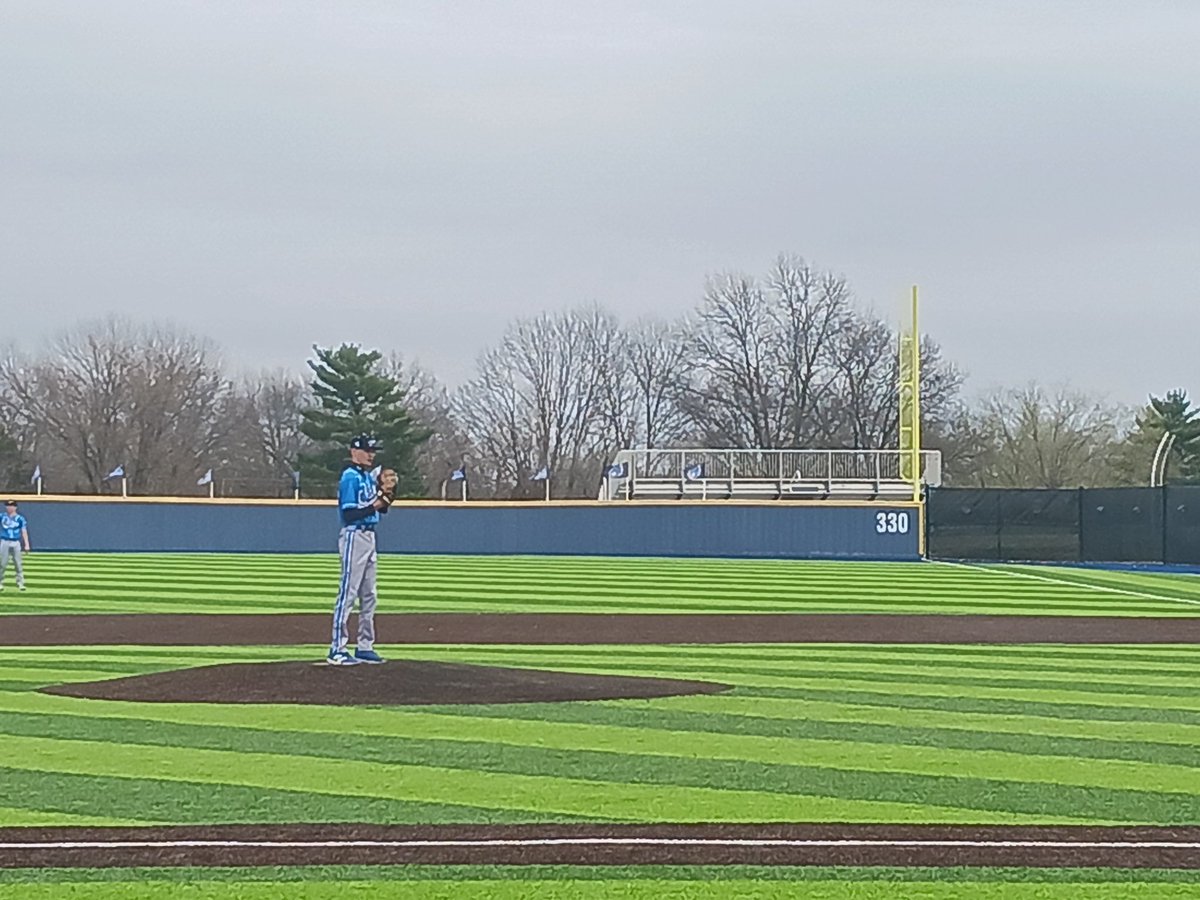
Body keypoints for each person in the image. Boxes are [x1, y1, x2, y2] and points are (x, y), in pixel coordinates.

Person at [327, 435, 392, 666]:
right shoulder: (350, 477)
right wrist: (376, 504)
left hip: (370, 536)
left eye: (373, 451)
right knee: (348, 591)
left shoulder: (368, 477)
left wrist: (387, 497)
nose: (371, 454)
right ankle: (337, 648)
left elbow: (381, 510)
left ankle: (365, 646)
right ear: (354, 452)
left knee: (369, 594)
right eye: (367, 450)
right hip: (354, 535)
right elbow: (349, 514)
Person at [0, 500, 31, 592]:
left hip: (16, 542)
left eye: (12, 506)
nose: (10, 507)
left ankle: (20, 583)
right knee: (2, 563)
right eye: (8, 506)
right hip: (5, 541)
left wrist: (26, 544)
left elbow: (24, 531)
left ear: (15, 507)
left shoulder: (20, 518)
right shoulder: (2, 516)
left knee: (18, 563)